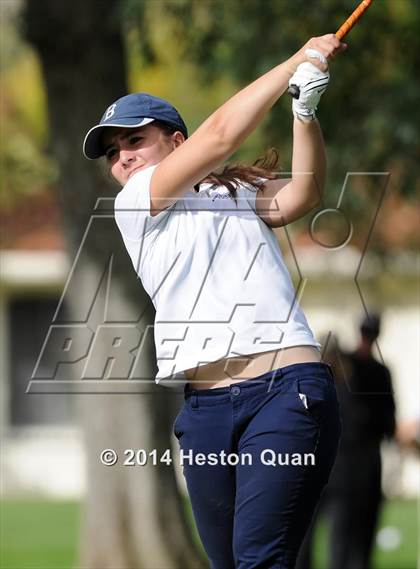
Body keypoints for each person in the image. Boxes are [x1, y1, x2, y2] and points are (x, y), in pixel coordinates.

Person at [83, 34, 346, 569]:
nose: (123, 158)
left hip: (284, 395)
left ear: (177, 141)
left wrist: (305, 110)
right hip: (205, 411)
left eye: (134, 140)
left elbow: (304, 194)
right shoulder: (135, 203)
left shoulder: (233, 195)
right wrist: (295, 59)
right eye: (113, 152)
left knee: (259, 560)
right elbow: (223, 134)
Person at [296, 315, 396, 569]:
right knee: (344, 540)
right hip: (348, 472)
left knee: (333, 538)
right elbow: (386, 425)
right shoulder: (365, 375)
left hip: (327, 469)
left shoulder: (317, 384)